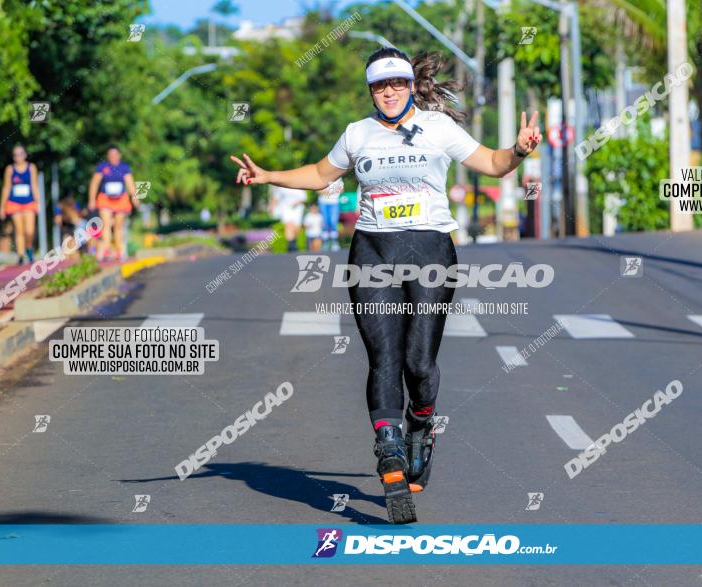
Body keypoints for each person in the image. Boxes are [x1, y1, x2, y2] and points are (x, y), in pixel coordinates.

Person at [230, 48, 541, 524]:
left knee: (419, 363)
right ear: (371, 91)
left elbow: (494, 164)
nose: (389, 92)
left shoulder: (438, 128)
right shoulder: (357, 134)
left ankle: (421, 425)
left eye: (397, 83)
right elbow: (320, 174)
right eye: (379, 86)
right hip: (373, 254)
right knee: (385, 358)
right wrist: (267, 174)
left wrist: (519, 150)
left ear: (411, 85)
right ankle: (389, 450)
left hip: (432, 252)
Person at [87, 145, 138, 261]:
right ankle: (106, 249)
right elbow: (94, 183)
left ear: (119, 155)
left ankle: (119, 250)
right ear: (107, 156)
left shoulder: (124, 167)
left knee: (118, 225)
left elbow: (130, 183)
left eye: (115, 155)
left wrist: (135, 197)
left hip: (121, 199)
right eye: (111, 155)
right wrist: (91, 199)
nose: (113, 157)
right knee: (106, 224)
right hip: (105, 199)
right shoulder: (102, 167)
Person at [0, 144, 40, 264]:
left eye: (21, 154)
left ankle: (29, 248)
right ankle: (21, 255)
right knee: (19, 229)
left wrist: (38, 202)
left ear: (25, 155)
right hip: (14, 202)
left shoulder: (31, 167)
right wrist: (2, 206)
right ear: (13, 157)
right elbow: (6, 188)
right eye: (15, 155)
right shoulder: (10, 169)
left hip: (29, 202)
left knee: (29, 231)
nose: (18, 157)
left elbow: (35, 186)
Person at [268, 185, 307, 252]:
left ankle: (293, 242)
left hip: (298, 209)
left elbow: (303, 198)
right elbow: (276, 197)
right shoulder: (282, 186)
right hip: (285, 208)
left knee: (296, 228)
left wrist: (295, 204)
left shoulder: (298, 185)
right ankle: (291, 245)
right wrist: (272, 206)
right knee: (288, 225)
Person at [317, 178, 342, 251]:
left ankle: (334, 241)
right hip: (323, 202)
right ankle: (325, 242)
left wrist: (326, 191)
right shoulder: (322, 176)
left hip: (334, 202)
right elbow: (318, 191)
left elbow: (341, 190)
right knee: (325, 222)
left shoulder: (338, 178)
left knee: (333, 222)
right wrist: (332, 191)